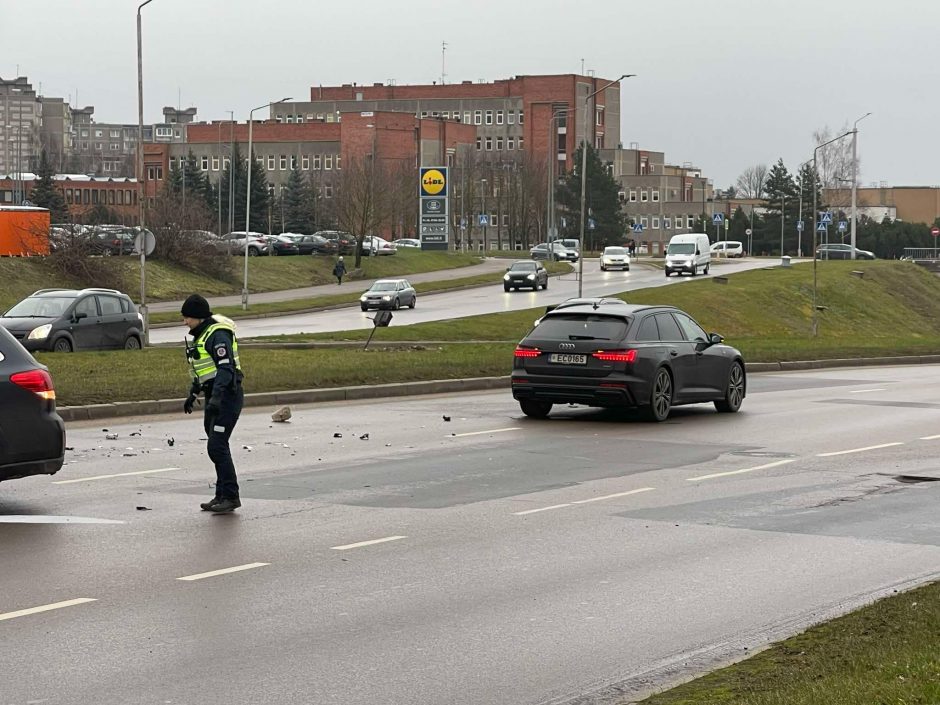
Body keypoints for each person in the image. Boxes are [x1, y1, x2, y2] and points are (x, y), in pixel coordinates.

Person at [181, 294, 244, 513]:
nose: (185, 322)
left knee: (217, 445)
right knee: (217, 445)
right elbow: (206, 370)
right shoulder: (202, 335)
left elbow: (226, 370)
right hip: (214, 395)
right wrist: (193, 392)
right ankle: (221, 495)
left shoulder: (217, 335)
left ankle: (231, 496)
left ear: (198, 317)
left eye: (188, 317)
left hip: (227, 395)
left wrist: (217, 398)